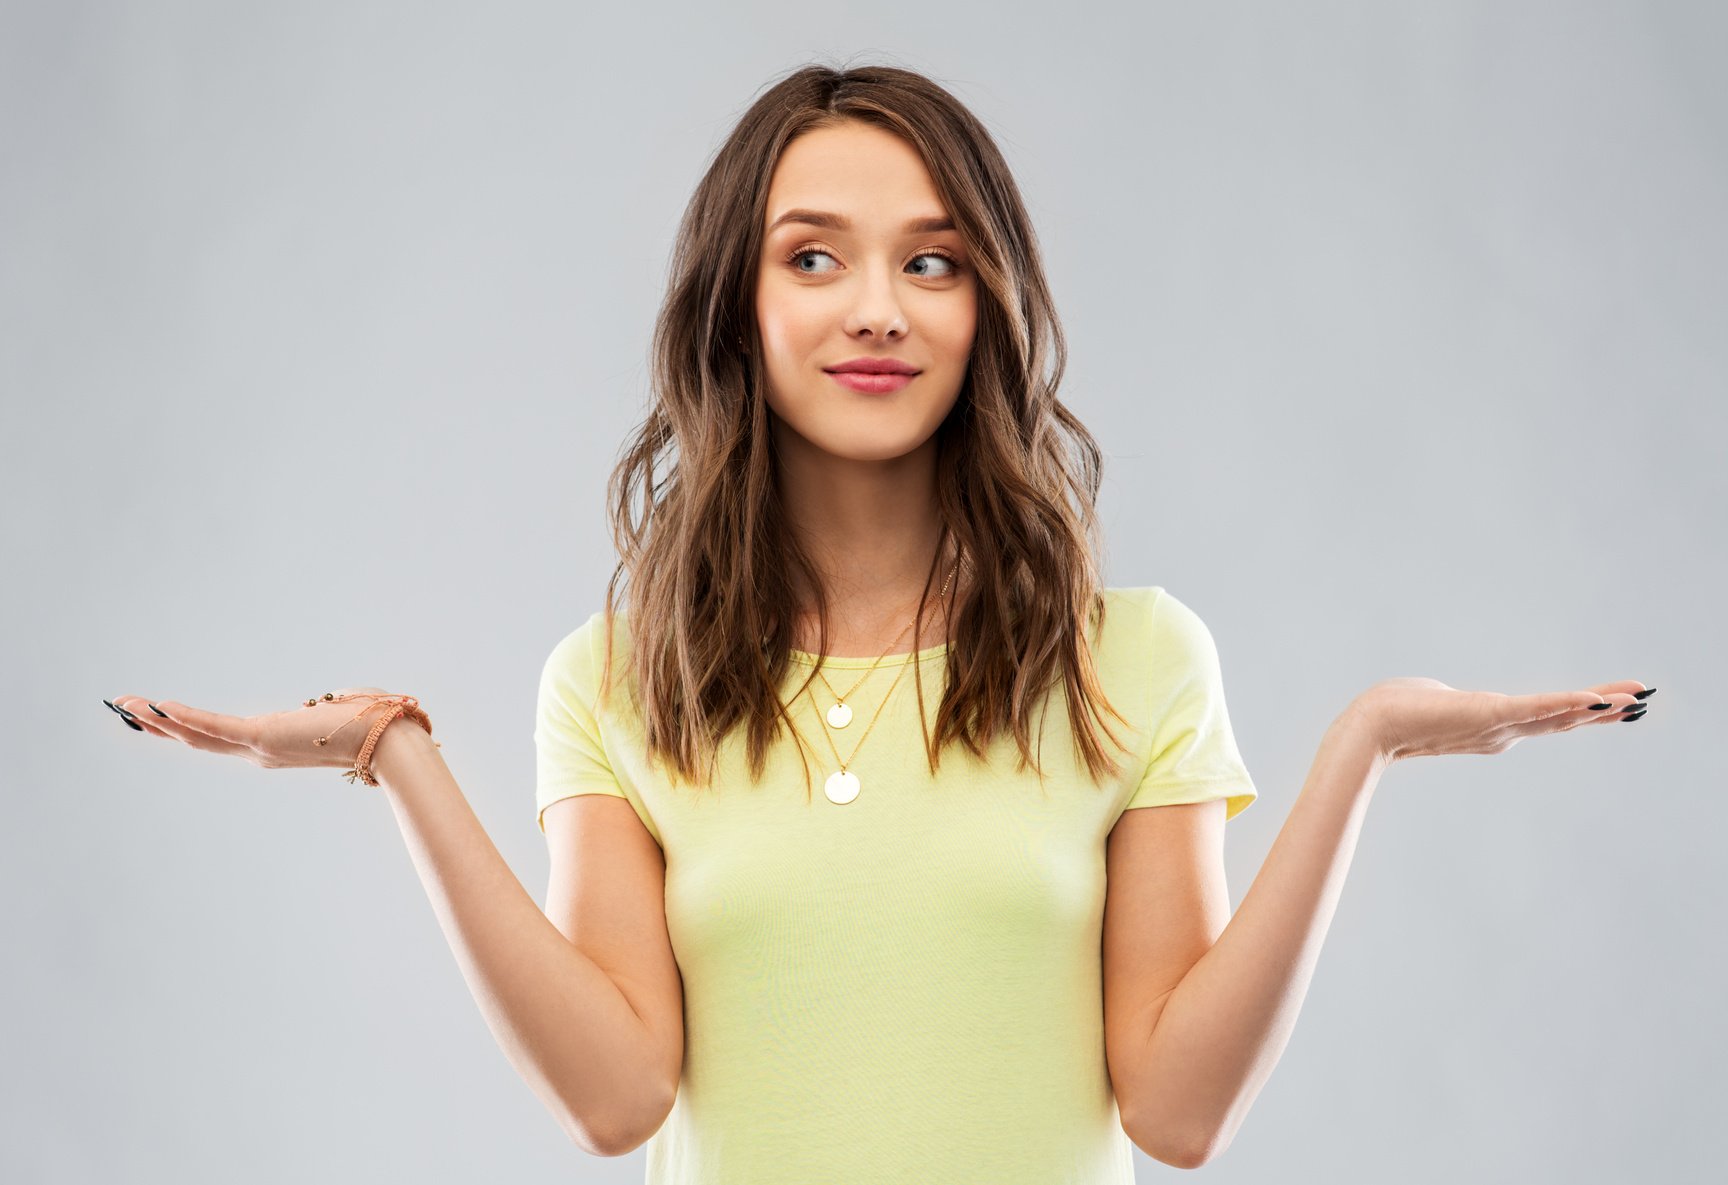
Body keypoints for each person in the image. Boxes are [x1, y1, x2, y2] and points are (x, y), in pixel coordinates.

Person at [109, 60, 1653, 1183]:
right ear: (740, 305)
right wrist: (392, 753)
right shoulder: (616, 682)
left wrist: (1361, 747)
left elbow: (1176, 1112)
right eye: (814, 258)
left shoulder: (1135, 660)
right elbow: (617, 1094)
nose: (877, 308)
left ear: (986, 311)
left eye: (933, 261)